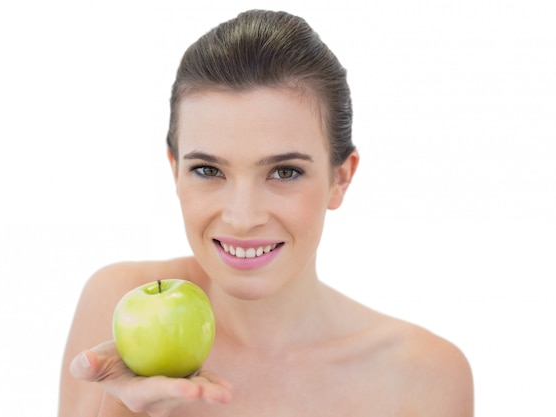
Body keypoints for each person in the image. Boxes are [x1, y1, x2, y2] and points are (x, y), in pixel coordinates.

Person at [58, 9, 473, 417]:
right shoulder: (116, 305)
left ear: (340, 178)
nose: (242, 218)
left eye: (284, 172)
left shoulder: (426, 376)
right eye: (207, 170)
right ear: (175, 170)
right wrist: (127, 407)